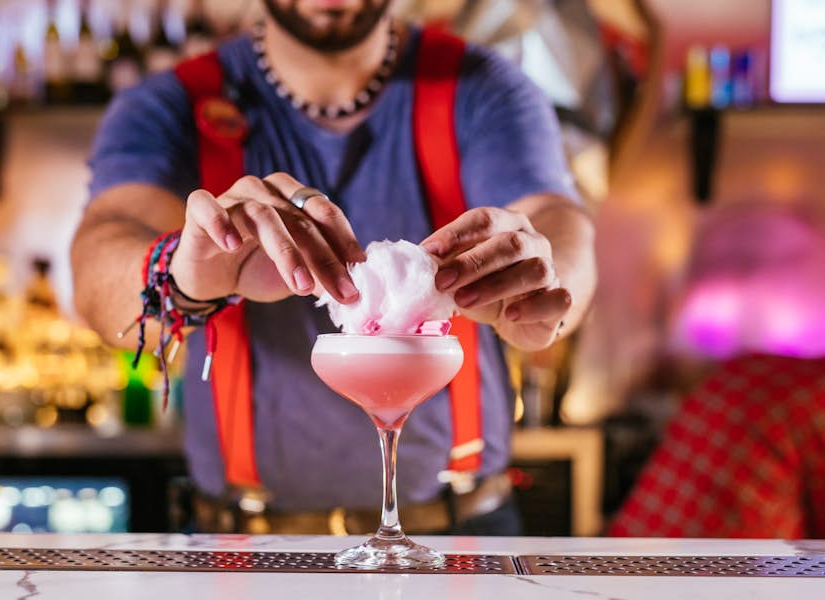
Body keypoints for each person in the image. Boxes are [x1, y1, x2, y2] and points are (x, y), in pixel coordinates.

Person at [71, 0, 596, 535]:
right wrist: (183, 277)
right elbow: (99, 264)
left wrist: (543, 284)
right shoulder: (168, 103)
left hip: (459, 540)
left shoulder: (484, 88)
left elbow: (556, 218)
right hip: (245, 552)